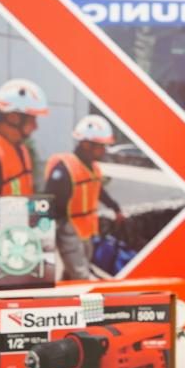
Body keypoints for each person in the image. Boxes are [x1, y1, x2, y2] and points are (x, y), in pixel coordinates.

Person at [45, 115, 124, 280]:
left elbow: (98, 190)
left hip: (86, 229)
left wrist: (115, 207)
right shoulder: (64, 169)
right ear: (86, 144)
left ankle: (66, 294)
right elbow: (50, 202)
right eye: (101, 146)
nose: (104, 150)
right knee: (81, 275)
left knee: (72, 273)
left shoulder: (92, 167)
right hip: (68, 229)